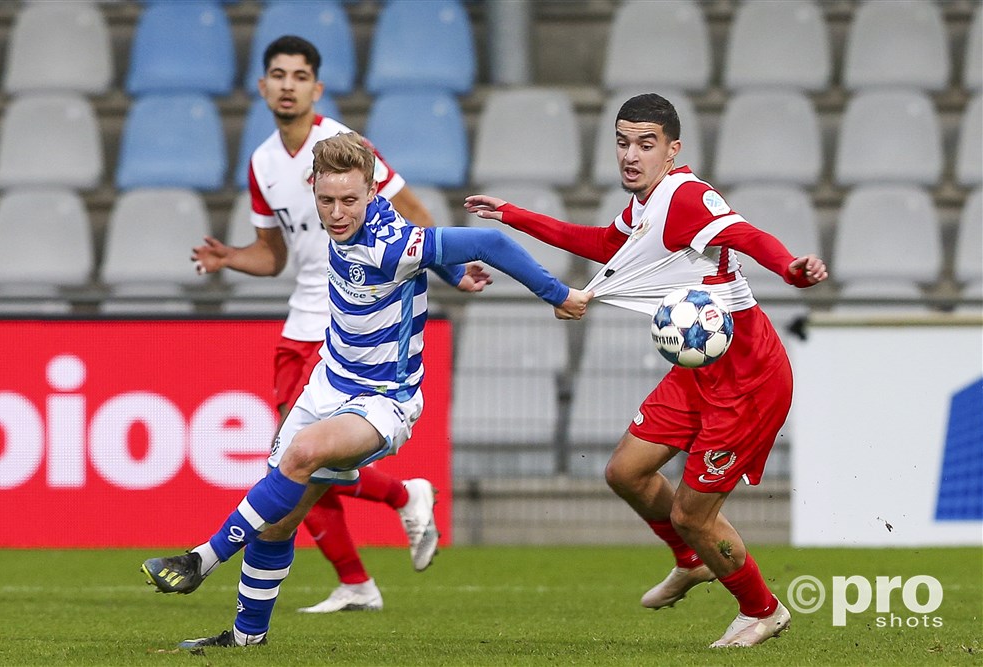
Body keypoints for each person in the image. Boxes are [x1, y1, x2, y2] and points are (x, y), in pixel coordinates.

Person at [143, 131, 592, 648]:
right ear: (313, 189)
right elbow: (422, 247)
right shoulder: (365, 222)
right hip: (327, 383)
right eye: (327, 200)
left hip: (384, 400)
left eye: (350, 200)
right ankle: (247, 640)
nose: (337, 213)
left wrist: (558, 295)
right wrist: (453, 274)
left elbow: (488, 243)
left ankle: (202, 558)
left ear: (372, 190)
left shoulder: (389, 244)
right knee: (277, 521)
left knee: (301, 454)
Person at [465, 93, 828, 649]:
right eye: (622, 142)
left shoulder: (688, 198)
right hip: (699, 369)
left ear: (673, 150)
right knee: (626, 473)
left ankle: (762, 609)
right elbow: (601, 244)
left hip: (748, 378)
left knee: (692, 512)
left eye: (645, 143)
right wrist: (514, 215)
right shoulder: (646, 203)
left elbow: (746, 236)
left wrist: (792, 269)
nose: (630, 155)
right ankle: (692, 560)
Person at [191, 35, 441, 613]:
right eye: (277, 74)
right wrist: (229, 257)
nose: (286, 85)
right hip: (297, 325)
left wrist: (436, 272)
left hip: (349, 326)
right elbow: (272, 257)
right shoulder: (260, 163)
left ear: (316, 88)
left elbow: (419, 223)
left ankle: (378, 540)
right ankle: (368, 559)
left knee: (294, 464)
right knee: (295, 466)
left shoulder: (345, 151)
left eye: (298, 76)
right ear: (262, 86)